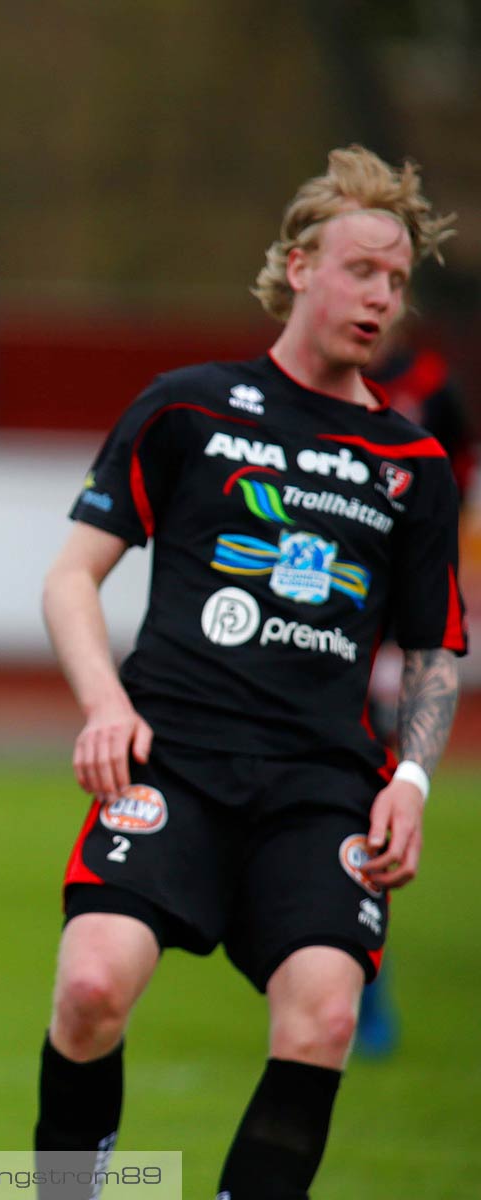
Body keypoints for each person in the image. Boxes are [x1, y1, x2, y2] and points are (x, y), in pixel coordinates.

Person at [35, 146, 465, 1199]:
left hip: (321, 790)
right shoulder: (189, 409)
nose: (381, 297)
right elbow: (71, 580)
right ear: (299, 264)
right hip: (170, 764)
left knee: (322, 1018)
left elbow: (435, 649)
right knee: (91, 987)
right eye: (362, 268)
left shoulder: (412, 464)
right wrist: (104, 707)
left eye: (399, 281)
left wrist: (408, 782)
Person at [353, 322, 477, 1057]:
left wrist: (448, 595)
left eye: (389, 276)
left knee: (372, 796)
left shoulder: (435, 389)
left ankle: (369, 990)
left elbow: (457, 495)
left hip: (410, 616)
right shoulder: (315, 387)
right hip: (339, 619)